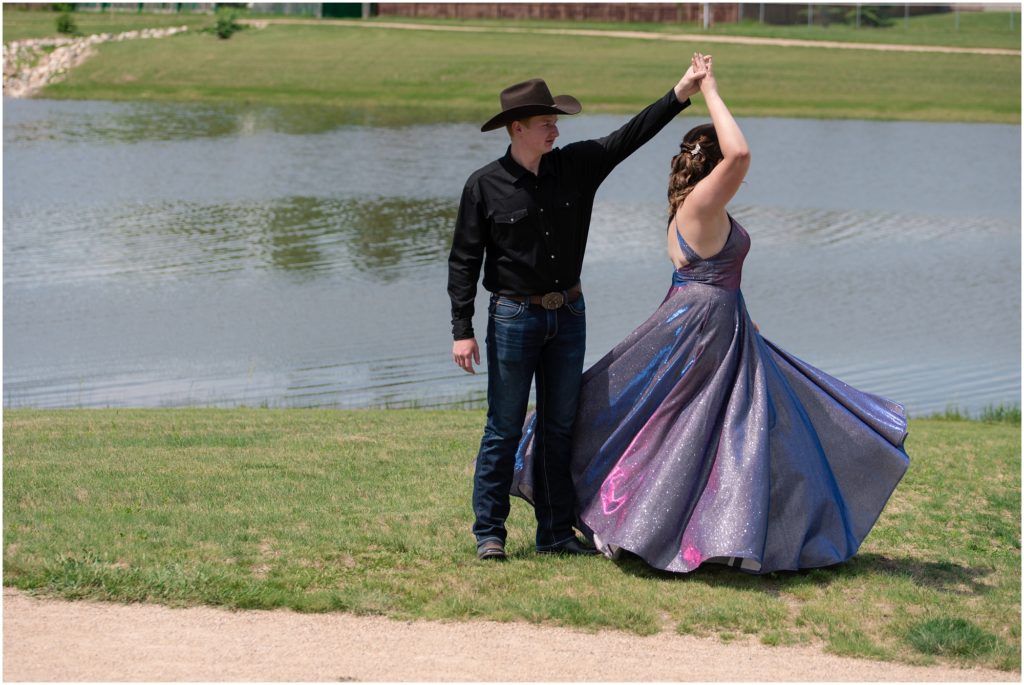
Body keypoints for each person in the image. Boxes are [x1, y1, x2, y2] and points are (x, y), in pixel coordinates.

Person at [512, 53, 910, 574]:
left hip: (716, 322)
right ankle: (648, 527)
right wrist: (711, 91)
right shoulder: (700, 204)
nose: (738, 176)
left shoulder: (694, 207)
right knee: (697, 427)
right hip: (702, 330)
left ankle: (723, 532)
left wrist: (745, 316)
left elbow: (715, 276)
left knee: (710, 429)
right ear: (714, 165)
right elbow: (740, 153)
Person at [448, 59, 710, 561]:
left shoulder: (577, 165)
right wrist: (463, 329)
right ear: (517, 128)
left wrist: (680, 91)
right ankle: (490, 533)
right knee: (503, 427)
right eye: (546, 122)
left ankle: (553, 533)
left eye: (556, 121)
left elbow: (630, 135)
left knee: (559, 426)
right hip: (512, 318)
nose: (556, 128)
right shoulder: (483, 186)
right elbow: (464, 262)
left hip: (568, 315)